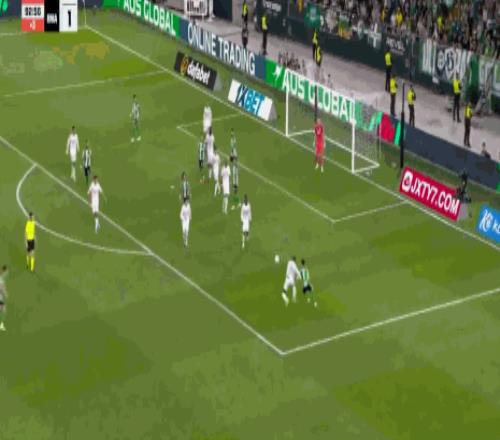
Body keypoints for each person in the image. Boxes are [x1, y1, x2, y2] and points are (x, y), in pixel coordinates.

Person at [0, 265, 8, 331]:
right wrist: (5, 294)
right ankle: (1, 325)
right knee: (3, 310)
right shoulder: (1, 279)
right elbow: (1, 288)